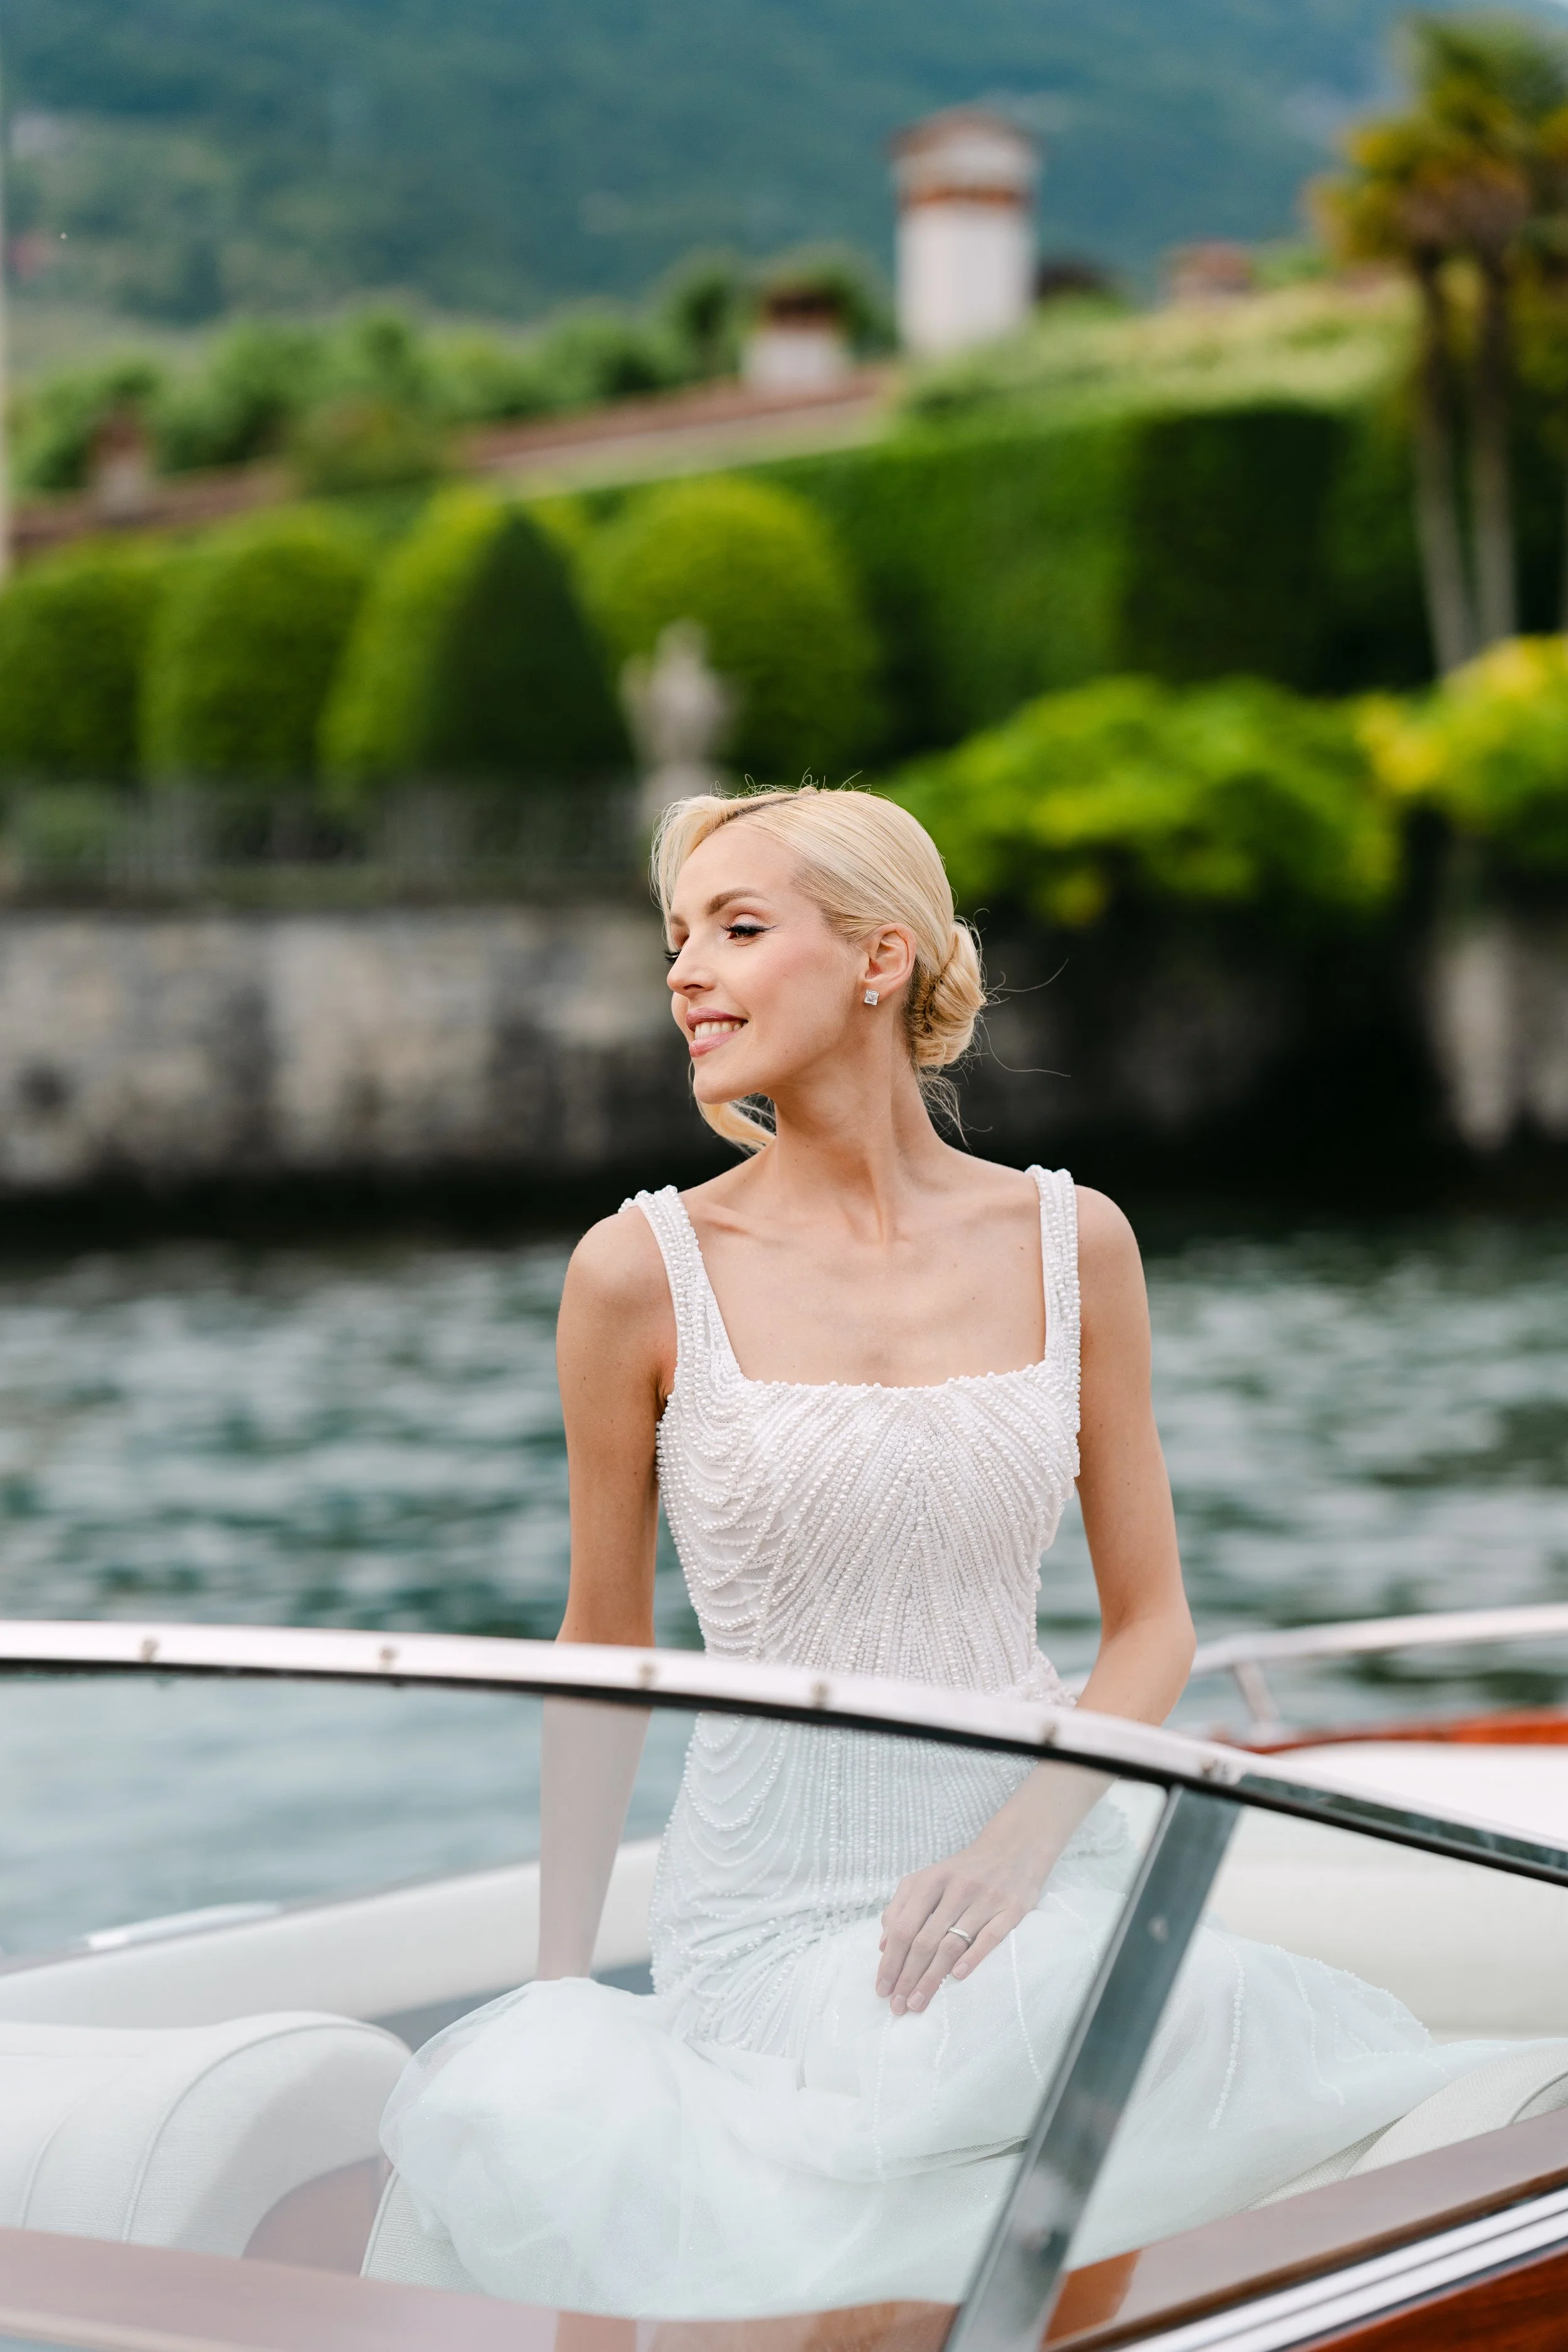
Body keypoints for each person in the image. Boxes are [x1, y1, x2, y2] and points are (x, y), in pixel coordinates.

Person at [382, 787, 1508, 2317]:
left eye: (736, 928)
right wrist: (558, 1985)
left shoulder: (1072, 1242)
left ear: (877, 957)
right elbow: (604, 1646)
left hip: (1035, 1872)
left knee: (1084, 2045)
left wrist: (1019, 1846)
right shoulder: (636, 1273)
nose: (685, 972)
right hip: (769, 1914)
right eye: (676, 939)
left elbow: (1153, 1627)